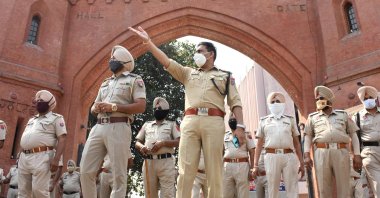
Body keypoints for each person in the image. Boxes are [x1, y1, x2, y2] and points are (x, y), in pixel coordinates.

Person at [129, 26, 245, 198]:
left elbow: (235, 102)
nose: (195, 54)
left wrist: (240, 127)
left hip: (214, 121)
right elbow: (166, 61)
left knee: (214, 171)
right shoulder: (187, 73)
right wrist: (149, 42)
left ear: (211, 54)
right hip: (190, 121)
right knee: (185, 170)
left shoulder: (226, 76)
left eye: (200, 51)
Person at [80, 45, 146, 198]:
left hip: (119, 126)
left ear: (123, 62)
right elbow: (93, 108)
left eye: (114, 59)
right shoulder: (105, 83)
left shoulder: (134, 80)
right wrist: (96, 108)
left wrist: (114, 106)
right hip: (99, 126)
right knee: (85, 170)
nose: (111, 61)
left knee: (118, 176)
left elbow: (141, 106)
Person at [303, 85, 361, 197]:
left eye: (320, 99)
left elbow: (353, 135)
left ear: (328, 99)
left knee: (345, 187)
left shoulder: (343, 115)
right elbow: (308, 136)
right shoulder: (312, 117)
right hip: (321, 152)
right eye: (316, 100)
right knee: (324, 188)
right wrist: (306, 154)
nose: (318, 101)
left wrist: (357, 154)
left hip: (341, 151)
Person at [253, 92, 304, 198]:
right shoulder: (263, 121)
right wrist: (255, 165)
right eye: (272, 102)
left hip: (289, 156)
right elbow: (258, 145)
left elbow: (297, 143)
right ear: (269, 104)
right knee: (272, 190)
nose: (275, 103)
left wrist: (301, 162)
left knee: (292, 189)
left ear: (283, 104)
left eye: (278, 101)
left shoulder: (290, 119)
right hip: (271, 156)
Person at [18, 90, 67, 198]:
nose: (39, 102)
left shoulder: (56, 118)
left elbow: (62, 139)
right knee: (22, 192)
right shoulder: (32, 120)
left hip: (42, 156)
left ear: (49, 104)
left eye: (42, 101)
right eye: (38, 100)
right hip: (24, 157)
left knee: (39, 191)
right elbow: (26, 138)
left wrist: (56, 159)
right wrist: (19, 154)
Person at [135, 97, 180, 198]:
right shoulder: (147, 125)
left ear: (165, 111)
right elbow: (137, 142)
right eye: (155, 109)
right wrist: (142, 147)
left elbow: (179, 142)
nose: (156, 111)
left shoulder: (172, 124)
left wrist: (163, 143)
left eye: (159, 109)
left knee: (168, 194)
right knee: (150, 194)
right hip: (148, 162)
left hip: (166, 162)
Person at [353, 85, 380, 197]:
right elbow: (354, 137)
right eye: (365, 99)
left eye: (370, 97)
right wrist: (356, 156)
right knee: (378, 185)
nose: (368, 100)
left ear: (375, 98)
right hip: (369, 153)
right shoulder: (358, 116)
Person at [223, 116, 255, 198]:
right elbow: (221, 152)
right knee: (226, 194)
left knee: (242, 194)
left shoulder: (245, 134)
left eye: (234, 119)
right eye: (230, 119)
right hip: (227, 166)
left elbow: (252, 151)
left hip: (241, 165)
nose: (232, 120)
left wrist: (252, 168)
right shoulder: (225, 135)